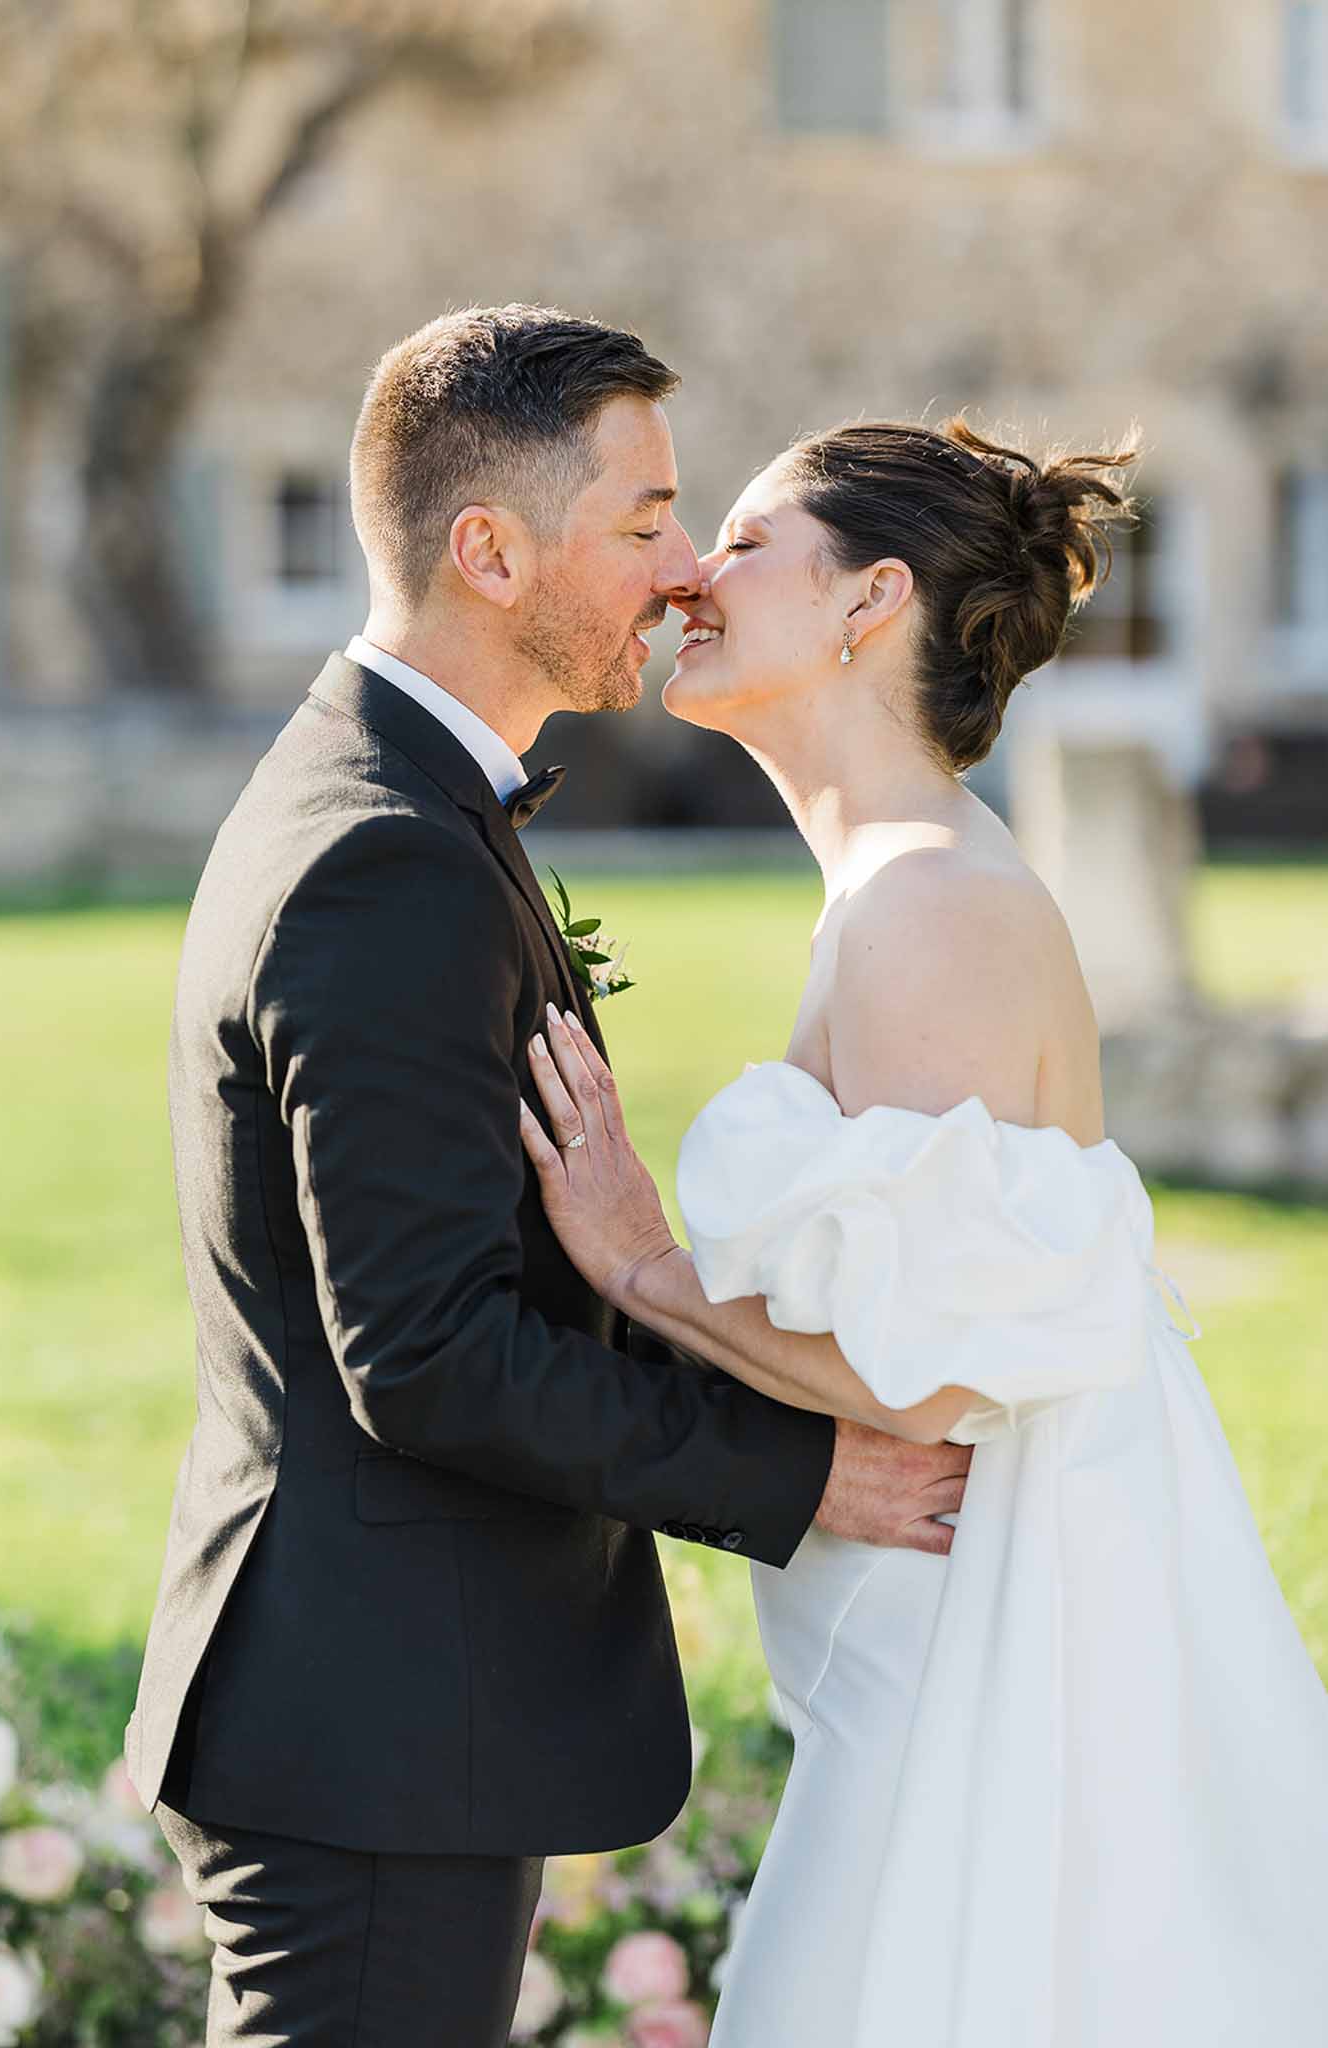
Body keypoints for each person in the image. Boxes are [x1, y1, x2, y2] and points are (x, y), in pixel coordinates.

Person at [124, 307, 972, 2048]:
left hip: (385, 1705)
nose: (682, 569)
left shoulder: (395, 804)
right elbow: (429, 1354)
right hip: (373, 1717)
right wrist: (804, 1472)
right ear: (489, 549)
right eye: (645, 518)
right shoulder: (383, 861)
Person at [521, 418, 1328, 2045]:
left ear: (865, 598)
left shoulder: (929, 905)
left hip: (995, 1651)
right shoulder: (899, 886)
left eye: (744, 541)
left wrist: (637, 1270)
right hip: (923, 1626)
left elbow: (924, 1380)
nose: (690, 574)